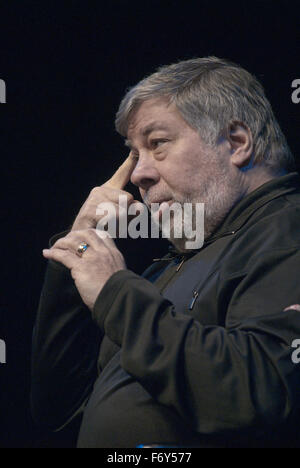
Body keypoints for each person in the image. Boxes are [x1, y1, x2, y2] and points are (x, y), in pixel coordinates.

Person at [31, 57, 300, 448]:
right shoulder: (170, 267)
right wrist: (76, 252)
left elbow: (254, 391)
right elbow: (61, 411)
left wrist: (114, 290)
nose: (138, 173)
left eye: (156, 144)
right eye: (134, 154)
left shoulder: (286, 231)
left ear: (237, 142)